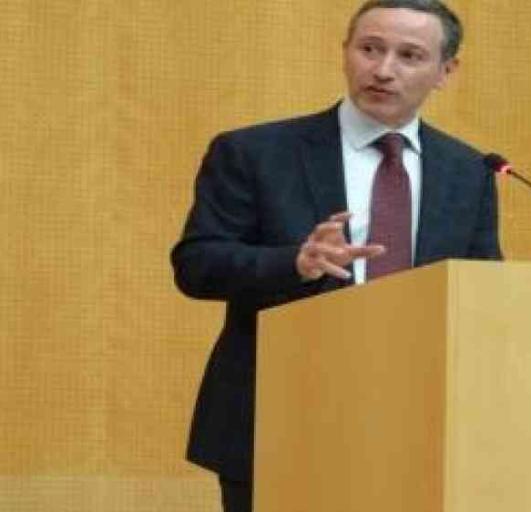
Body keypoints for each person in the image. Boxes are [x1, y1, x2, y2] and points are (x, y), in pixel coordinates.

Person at [171, 0, 502, 510]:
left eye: (410, 55)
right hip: (279, 414)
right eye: (370, 49)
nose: (383, 69)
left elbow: (483, 286)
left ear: (445, 71)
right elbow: (196, 264)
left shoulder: (468, 170)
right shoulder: (255, 152)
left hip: (418, 422)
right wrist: (293, 263)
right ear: (345, 52)